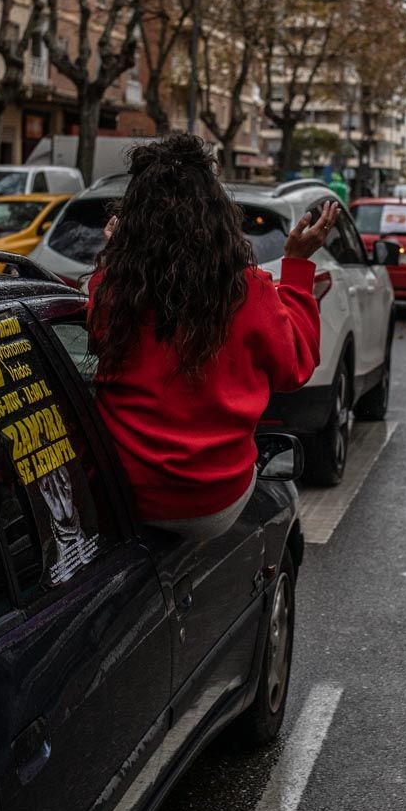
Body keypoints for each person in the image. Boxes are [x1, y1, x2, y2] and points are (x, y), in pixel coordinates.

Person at [88, 134, 335, 538]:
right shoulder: (247, 290)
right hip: (212, 502)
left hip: (125, 494)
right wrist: (295, 267)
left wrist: (117, 259)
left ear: (133, 218)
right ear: (217, 216)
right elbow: (296, 368)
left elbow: (98, 341)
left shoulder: (113, 289)